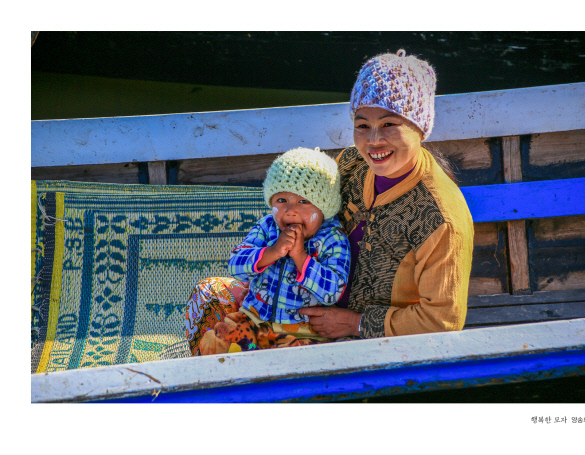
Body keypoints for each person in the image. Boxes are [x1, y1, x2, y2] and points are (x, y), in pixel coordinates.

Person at [298, 49, 474, 340]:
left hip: (379, 344)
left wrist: (356, 324)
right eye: (362, 126)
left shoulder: (440, 217)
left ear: (420, 128)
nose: (373, 141)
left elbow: (443, 319)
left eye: (389, 124)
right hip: (307, 307)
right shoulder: (350, 164)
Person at [184, 147, 351, 355]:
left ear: (324, 208)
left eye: (303, 201)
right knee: (215, 344)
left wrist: (300, 257)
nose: (291, 210)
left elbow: (332, 292)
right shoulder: (267, 226)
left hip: (303, 333)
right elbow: (235, 265)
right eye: (281, 200)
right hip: (251, 321)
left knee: (307, 362)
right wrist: (272, 252)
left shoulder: (333, 239)